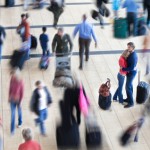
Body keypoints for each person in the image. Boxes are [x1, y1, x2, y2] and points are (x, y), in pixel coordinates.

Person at [122, 42, 138, 108]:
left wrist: (123, 69)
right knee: (130, 86)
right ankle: (129, 98)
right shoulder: (132, 53)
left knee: (127, 87)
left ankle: (131, 103)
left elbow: (131, 67)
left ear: (132, 48)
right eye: (127, 46)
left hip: (131, 73)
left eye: (129, 47)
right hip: (130, 72)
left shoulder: (133, 56)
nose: (127, 48)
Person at [9, 68, 24, 135]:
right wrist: (9, 96)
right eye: (12, 75)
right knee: (12, 114)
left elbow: (22, 92)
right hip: (12, 99)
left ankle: (20, 122)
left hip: (18, 100)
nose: (12, 76)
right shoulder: (12, 79)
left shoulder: (21, 82)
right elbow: (10, 88)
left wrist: (21, 101)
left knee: (19, 112)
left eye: (13, 75)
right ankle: (12, 130)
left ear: (17, 75)